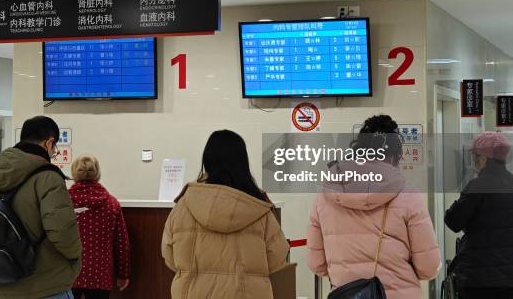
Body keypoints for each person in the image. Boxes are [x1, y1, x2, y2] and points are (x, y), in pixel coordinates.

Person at [307, 115, 441, 298]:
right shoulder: (409, 196)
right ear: (396, 154)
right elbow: (428, 268)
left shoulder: (324, 196)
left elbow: (317, 265)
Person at [162, 130, 289, 299]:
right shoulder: (258, 207)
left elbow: (170, 257)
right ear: (242, 162)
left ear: (207, 160)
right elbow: (277, 259)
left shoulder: (184, 205)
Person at [0, 116, 81, 299]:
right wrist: (75, 257)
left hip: (1, 282)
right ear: (49, 143)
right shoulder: (48, 176)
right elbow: (62, 230)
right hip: (46, 284)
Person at [445, 131, 513, 299]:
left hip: (478, 278)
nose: (474, 161)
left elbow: (453, 221)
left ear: (484, 158)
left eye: (475, 156)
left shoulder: (477, 186)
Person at [68, 155, 130, 299]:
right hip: (101, 274)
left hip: (69, 272)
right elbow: (122, 243)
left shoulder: (63, 201)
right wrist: (123, 274)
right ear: (97, 173)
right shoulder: (111, 203)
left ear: (74, 173)